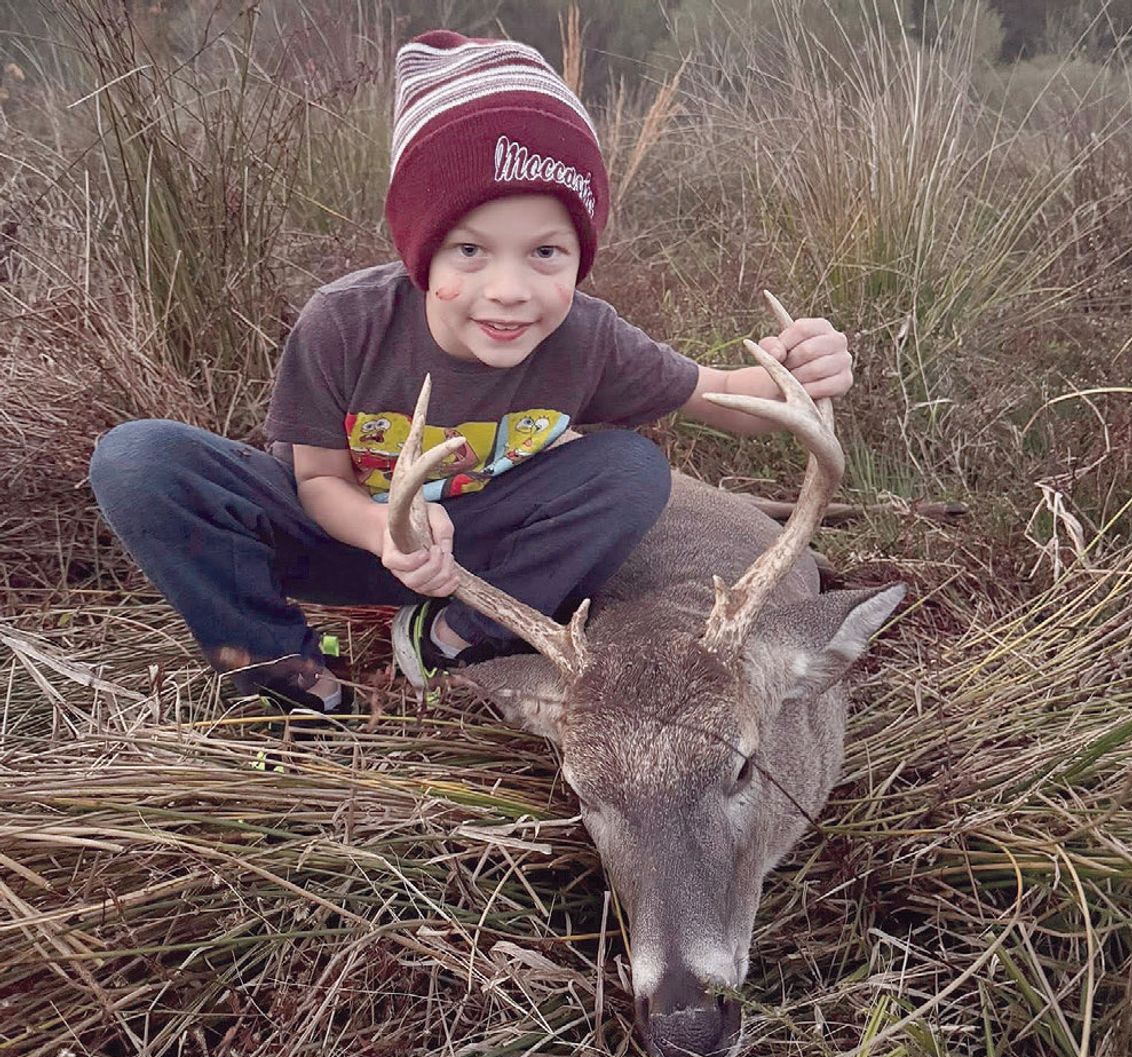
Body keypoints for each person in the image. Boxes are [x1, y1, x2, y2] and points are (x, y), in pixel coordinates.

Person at [89, 29, 852, 713]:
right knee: (139, 459)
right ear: (422, 252)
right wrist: (388, 532)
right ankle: (282, 669)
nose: (511, 290)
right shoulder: (345, 322)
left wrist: (795, 373)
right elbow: (316, 479)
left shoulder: (584, 338)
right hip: (342, 536)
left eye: (546, 252)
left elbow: (725, 398)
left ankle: (454, 636)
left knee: (629, 468)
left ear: (580, 255)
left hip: (482, 555)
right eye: (470, 251)